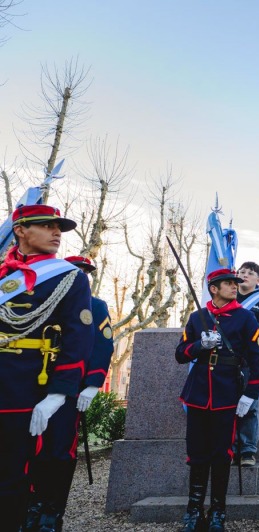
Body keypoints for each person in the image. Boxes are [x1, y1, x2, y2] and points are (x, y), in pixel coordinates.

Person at [0, 205, 93, 532]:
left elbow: (78, 339)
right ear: (20, 230)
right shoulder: (3, 277)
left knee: (16, 477)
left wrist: (58, 393)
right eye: (46, 226)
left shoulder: (70, 277)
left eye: (59, 227)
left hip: (31, 389)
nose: (56, 233)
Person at [23, 255, 115, 531]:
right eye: (76, 271)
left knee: (60, 450)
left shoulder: (95, 306)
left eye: (86, 272)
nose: (82, 276)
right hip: (32, 385)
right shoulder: (44, 302)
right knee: (30, 448)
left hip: (70, 388)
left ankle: (53, 511)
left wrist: (92, 384)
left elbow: (103, 346)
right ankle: (32, 505)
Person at [175, 268, 259, 532]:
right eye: (228, 283)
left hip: (228, 394)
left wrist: (249, 394)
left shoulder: (245, 318)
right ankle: (193, 512)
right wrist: (199, 346)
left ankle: (218, 513)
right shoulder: (197, 318)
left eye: (235, 283)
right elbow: (180, 354)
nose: (234, 287)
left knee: (221, 455)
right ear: (214, 288)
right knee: (196, 454)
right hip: (198, 395)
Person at [233, 261, 259, 468]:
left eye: (250, 273)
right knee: (228, 406)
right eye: (241, 272)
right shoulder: (227, 298)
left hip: (253, 364)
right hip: (228, 363)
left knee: (250, 406)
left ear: (258, 279)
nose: (244, 275)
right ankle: (230, 447)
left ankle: (248, 449)